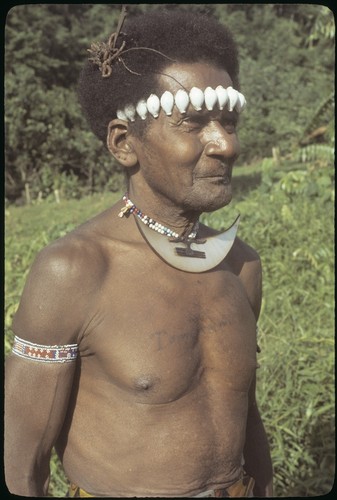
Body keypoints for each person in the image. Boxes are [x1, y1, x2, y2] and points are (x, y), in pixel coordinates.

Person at [5, 7, 273, 497]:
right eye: (193, 123)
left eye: (229, 122)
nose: (226, 145)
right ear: (125, 143)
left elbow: (244, 417)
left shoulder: (242, 265)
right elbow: (21, 466)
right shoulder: (75, 271)